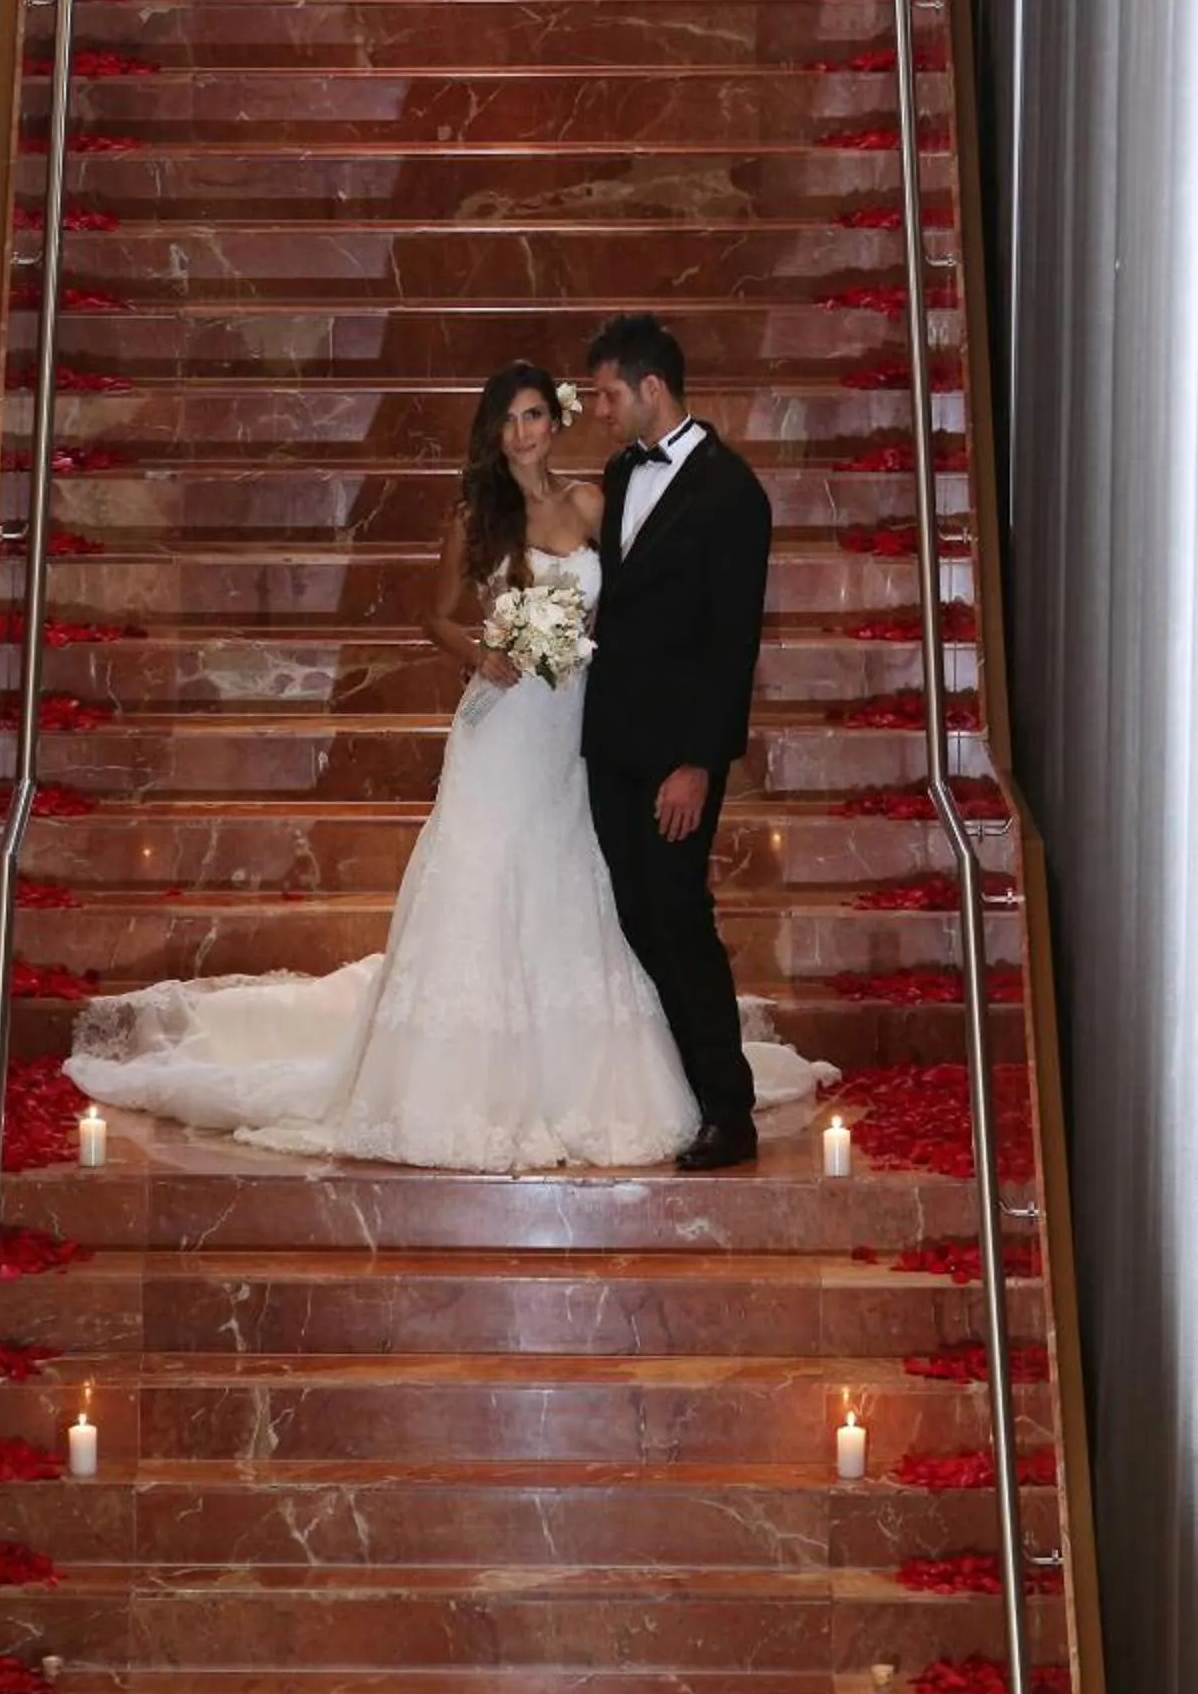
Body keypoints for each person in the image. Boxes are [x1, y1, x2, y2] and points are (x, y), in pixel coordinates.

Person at [64, 362, 830, 1171]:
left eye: (535, 415)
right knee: (482, 874)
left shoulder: (593, 504)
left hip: (571, 728)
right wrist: (486, 654)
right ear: (493, 434)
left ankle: (586, 1082)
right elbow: (434, 616)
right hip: (498, 728)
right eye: (509, 420)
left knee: (565, 878)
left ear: (555, 423)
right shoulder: (477, 517)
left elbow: (633, 612)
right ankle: (457, 1086)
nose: (524, 432)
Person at [582, 312, 775, 1171]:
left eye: (606, 393)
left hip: (677, 760)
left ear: (651, 388)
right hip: (612, 743)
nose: (597, 408)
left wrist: (697, 763)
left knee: (679, 919)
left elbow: (733, 645)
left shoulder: (734, 493)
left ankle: (727, 1111)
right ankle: (678, 1088)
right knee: (633, 915)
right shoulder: (622, 472)